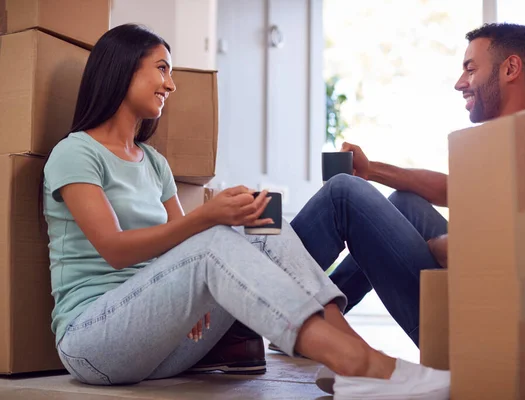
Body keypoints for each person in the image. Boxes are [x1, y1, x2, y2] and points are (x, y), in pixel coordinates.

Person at [42, 23, 450, 399]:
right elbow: (114, 249)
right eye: (162, 68)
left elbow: (172, 253)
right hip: (94, 339)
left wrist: (186, 294)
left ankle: (350, 356)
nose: (171, 84)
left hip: (163, 344)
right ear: (122, 69)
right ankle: (360, 362)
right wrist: (207, 218)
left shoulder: (153, 163)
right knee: (213, 240)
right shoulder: (76, 152)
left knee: (262, 214)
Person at [288, 22, 525, 349]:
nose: (459, 83)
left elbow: (494, 253)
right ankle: (316, 319)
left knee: (343, 193)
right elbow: (451, 190)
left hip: (480, 329)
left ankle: (252, 317)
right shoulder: (514, 141)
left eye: (470, 69)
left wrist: (437, 244)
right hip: (473, 292)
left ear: (510, 68)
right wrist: (372, 171)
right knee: (405, 202)